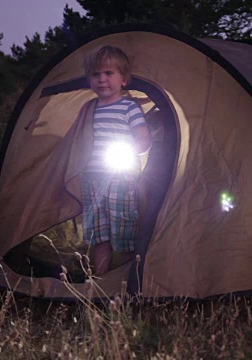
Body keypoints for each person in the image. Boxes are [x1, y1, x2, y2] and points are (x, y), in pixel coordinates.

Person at [80, 46, 152, 276]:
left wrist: (127, 153)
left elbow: (144, 141)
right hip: (91, 178)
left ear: (124, 79)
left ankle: (127, 280)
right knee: (99, 234)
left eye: (109, 73)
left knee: (123, 231)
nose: (102, 79)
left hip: (120, 177)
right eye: (96, 74)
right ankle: (100, 281)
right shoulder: (88, 109)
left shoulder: (129, 107)